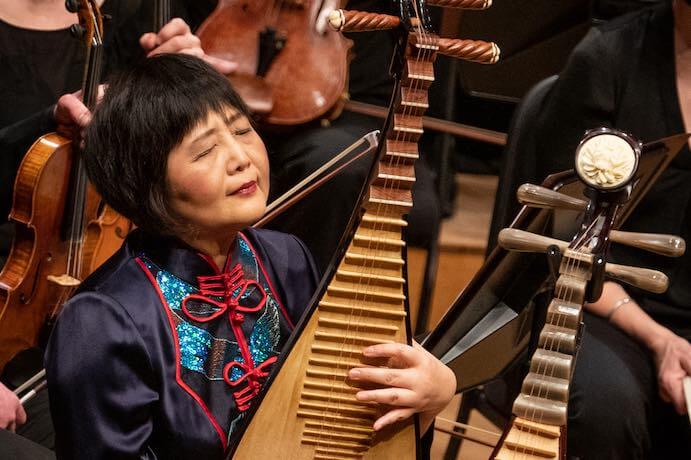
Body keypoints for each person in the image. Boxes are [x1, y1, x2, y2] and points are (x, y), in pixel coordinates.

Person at [44, 54, 456, 459]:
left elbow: (346, 423)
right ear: (144, 182)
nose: (241, 159)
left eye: (241, 131)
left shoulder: (287, 258)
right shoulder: (102, 321)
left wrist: (427, 402)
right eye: (204, 152)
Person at [528, 0, 691, 457]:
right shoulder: (607, 58)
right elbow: (562, 234)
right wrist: (659, 340)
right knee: (605, 404)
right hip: (597, 302)